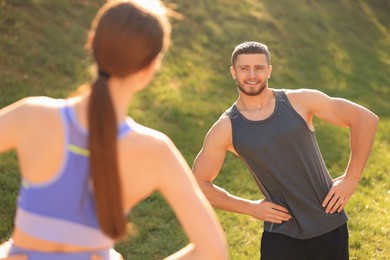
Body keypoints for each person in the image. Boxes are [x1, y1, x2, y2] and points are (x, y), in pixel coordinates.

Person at [0, 1, 228, 259]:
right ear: (151, 67)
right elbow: (213, 250)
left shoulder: (32, 116)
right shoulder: (155, 151)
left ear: (92, 41)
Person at [192, 41, 378, 260]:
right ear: (233, 72)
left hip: (328, 220)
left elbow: (364, 119)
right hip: (281, 233)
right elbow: (199, 183)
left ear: (269, 70)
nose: (252, 75)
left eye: (259, 67)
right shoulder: (227, 127)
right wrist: (251, 208)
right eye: (244, 68)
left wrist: (351, 178)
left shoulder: (300, 101)